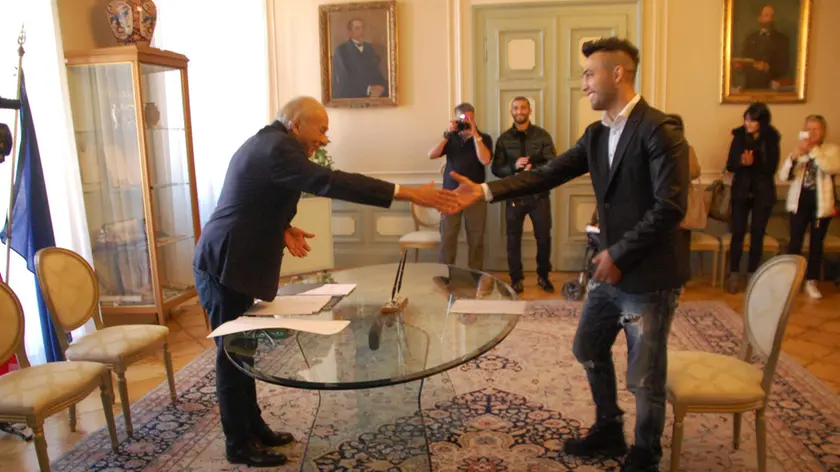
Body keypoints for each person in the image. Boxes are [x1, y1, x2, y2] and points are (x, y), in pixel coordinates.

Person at [446, 37, 690, 472]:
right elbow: (547, 174)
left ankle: (646, 454)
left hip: (648, 274)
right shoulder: (596, 134)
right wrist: (484, 191)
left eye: (589, 74)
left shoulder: (660, 129)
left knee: (644, 374)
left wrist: (619, 254)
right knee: (588, 346)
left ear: (618, 73)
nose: (584, 84)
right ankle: (609, 429)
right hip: (608, 269)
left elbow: (670, 208)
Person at [192, 96, 458, 467]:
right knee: (232, 357)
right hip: (223, 263)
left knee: (244, 350)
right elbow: (329, 181)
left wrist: (283, 227)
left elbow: (255, 199)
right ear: (296, 125)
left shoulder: (269, 143)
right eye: (321, 130)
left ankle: (254, 427)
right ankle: (237, 444)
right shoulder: (277, 148)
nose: (325, 139)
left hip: (233, 260)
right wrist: (409, 192)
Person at [492, 96, 556, 293]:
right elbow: (496, 169)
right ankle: (516, 279)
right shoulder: (504, 139)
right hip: (514, 196)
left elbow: (553, 163)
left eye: (523, 108)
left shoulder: (542, 136)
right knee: (513, 239)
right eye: (516, 108)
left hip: (539, 196)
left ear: (529, 110)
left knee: (543, 238)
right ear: (511, 112)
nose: (519, 111)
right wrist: (513, 166)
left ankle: (543, 276)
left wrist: (533, 167)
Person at [778, 114, 840, 299]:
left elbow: (830, 167)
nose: (811, 133)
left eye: (816, 129)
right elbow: (784, 176)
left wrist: (813, 150)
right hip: (799, 203)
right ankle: (790, 279)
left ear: (823, 131)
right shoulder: (800, 150)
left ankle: (811, 281)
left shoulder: (831, 150)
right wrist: (794, 156)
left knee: (816, 244)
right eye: (808, 129)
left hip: (821, 205)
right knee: (795, 242)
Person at [428, 102, 492, 270]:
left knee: (476, 238)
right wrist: (447, 135)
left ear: (474, 118)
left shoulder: (484, 138)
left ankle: (476, 274)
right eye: (463, 118)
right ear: (456, 119)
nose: (466, 121)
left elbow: (485, 160)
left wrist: (475, 135)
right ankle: (445, 274)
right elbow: (431, 155)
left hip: (475, 194)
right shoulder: (451, 138)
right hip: (450, 194)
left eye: (470, 118)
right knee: (448, 237)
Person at [724, 102, 780, 293]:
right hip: (741, 191)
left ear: (761, 122)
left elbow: (772, 167)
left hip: (762, 192)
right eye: (746, 119)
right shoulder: (739, 136)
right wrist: (742, 163)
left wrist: (754, 163)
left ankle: (752, 273)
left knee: (757, 233)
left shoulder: (771, 137)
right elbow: (730, 164)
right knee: (737, 232)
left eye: (752, 121)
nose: (748, 124)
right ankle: (733, 272)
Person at [331, 18, 389, 99]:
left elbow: (378, 74)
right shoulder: (341, 51)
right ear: (350, 32)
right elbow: (343, 81)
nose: (361, 32)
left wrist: (381, 87)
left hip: (374, 98)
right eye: (357, 28)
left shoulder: (370, 48)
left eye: (363, 28)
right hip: (352, 98)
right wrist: (368, 89)